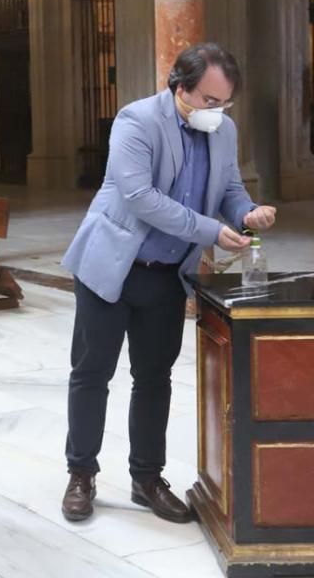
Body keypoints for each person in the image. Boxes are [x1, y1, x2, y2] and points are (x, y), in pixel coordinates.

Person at [59, 42, 277, 525]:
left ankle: (147, 478)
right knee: (92, 374)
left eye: (225, 103)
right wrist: (208, 231)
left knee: (154, 379)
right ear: (181, 89)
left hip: (164, 275)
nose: (217, 112)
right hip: (111, 267)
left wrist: (246, 213)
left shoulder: (223, 131)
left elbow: (231, 189)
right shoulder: (136, 122)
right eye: (209, 101)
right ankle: (81, 474)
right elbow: (140, 196)